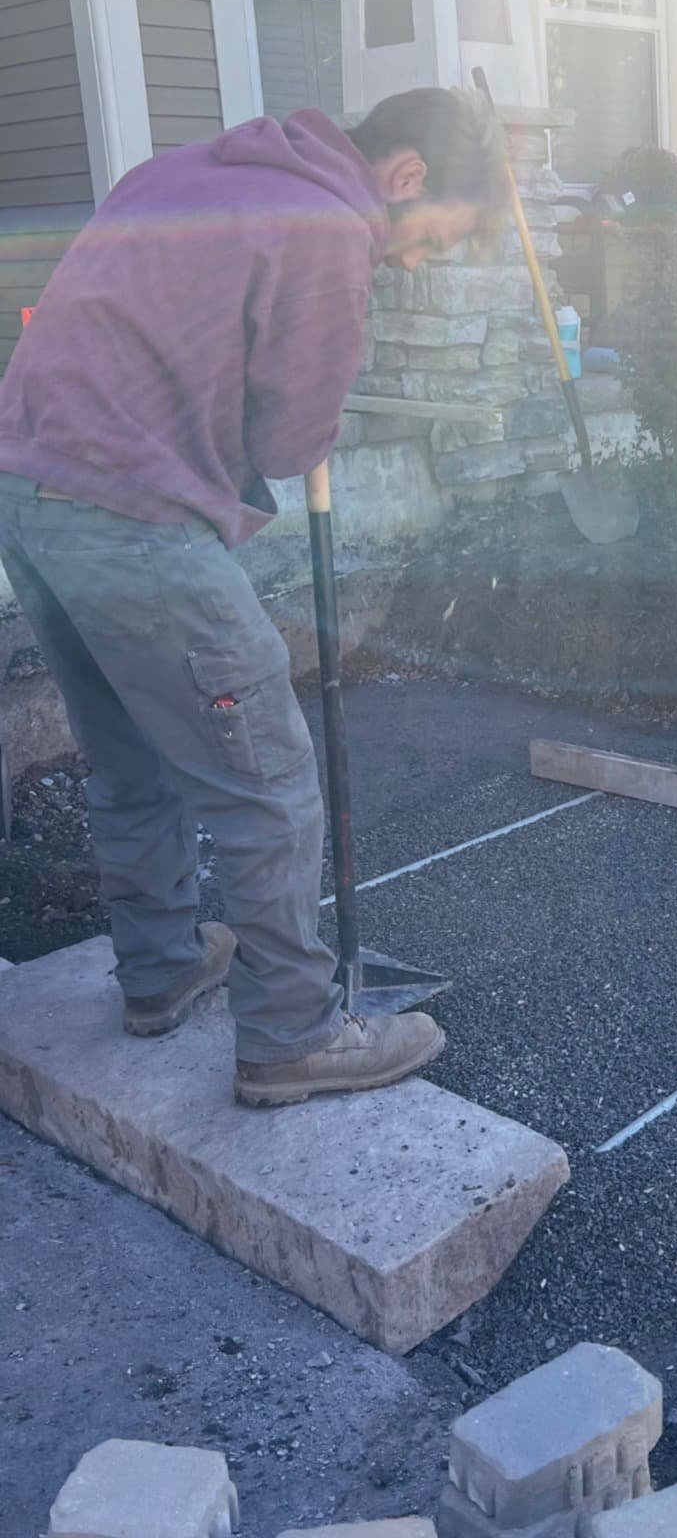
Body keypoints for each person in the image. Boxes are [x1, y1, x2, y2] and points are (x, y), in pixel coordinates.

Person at [0, 89, 509, 1106]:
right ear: (405, 177)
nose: (415, 263)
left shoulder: (182, 173)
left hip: (28, 488)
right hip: (128, 509)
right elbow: (287, 441)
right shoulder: (328, 226)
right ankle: (290, 1033)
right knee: (266, 776)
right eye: (431, 240)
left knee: (130, 751)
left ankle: (161, 966)